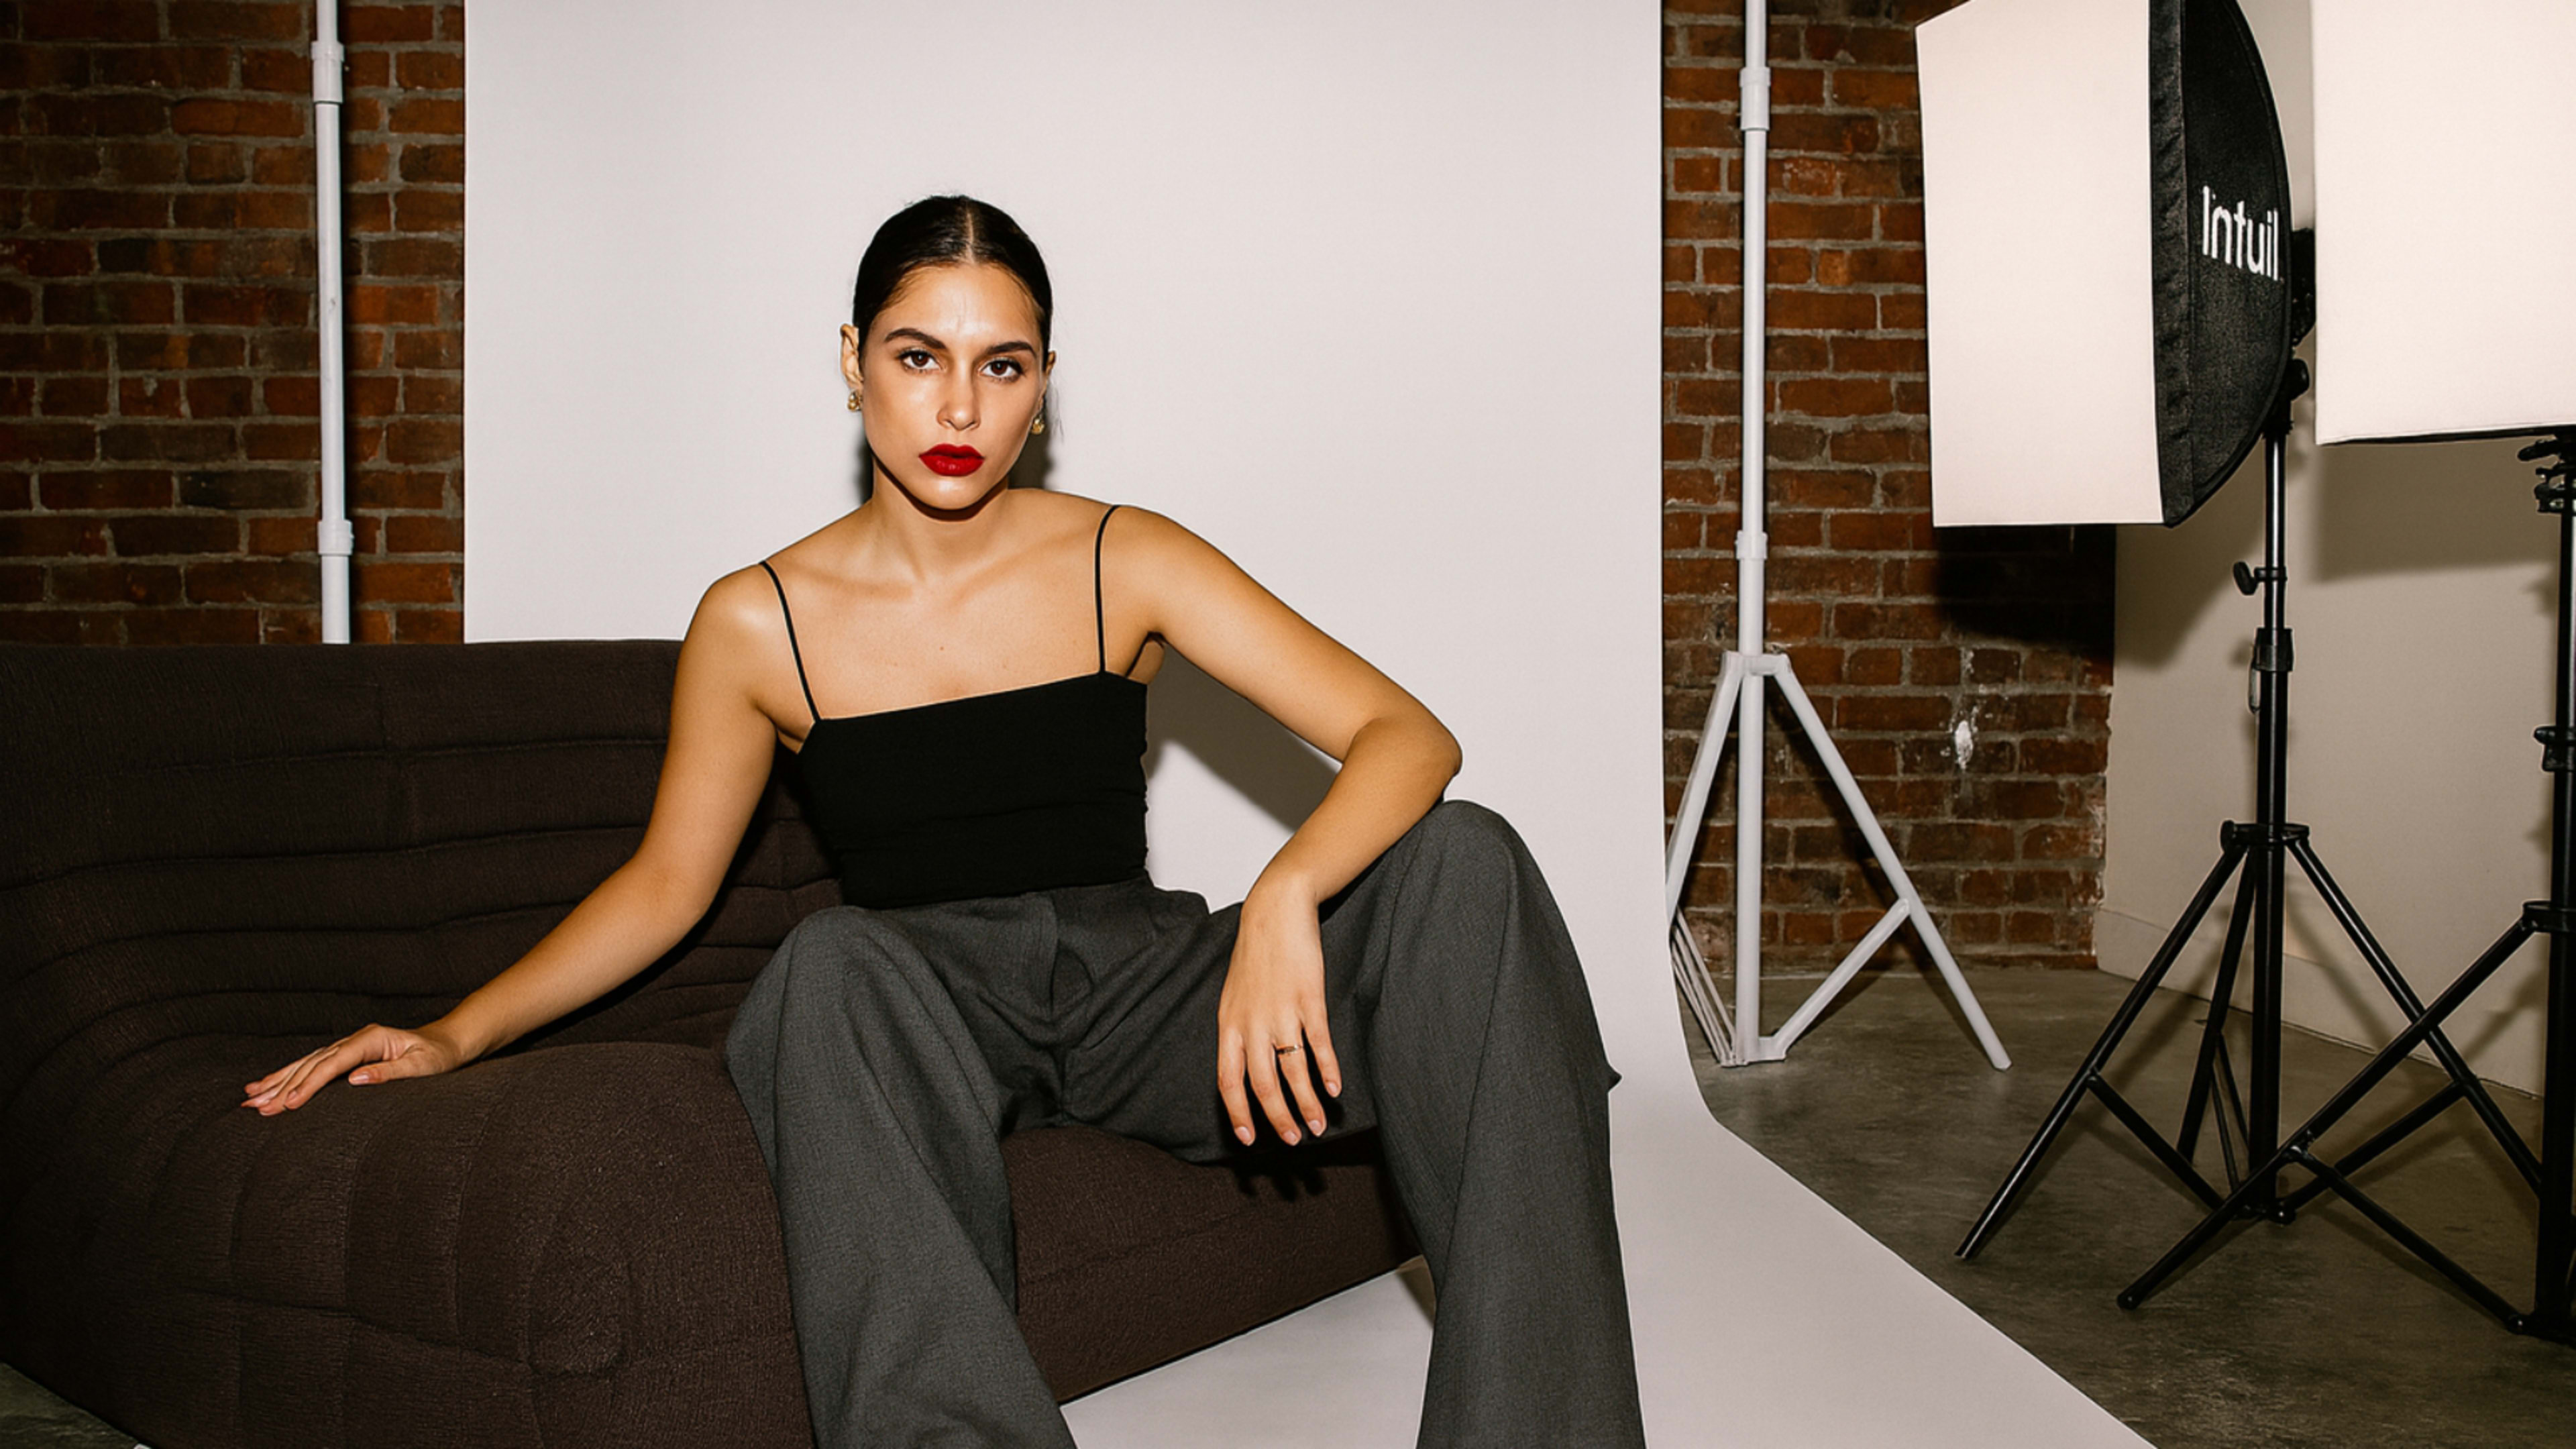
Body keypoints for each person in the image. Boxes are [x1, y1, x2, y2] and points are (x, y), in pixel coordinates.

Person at [240, 195, 1644, 1448]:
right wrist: (452, 1033)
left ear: (1044, 388)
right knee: (825, 969)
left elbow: (1411, 737)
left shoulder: (1122, 554)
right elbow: (669, 886)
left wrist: (1285, 892)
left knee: (1469, 860)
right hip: (926, 1009)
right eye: (919, 357)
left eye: (1002, 364)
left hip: (1146, 991)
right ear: (851, 362)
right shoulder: (758, 619)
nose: (957, 405)